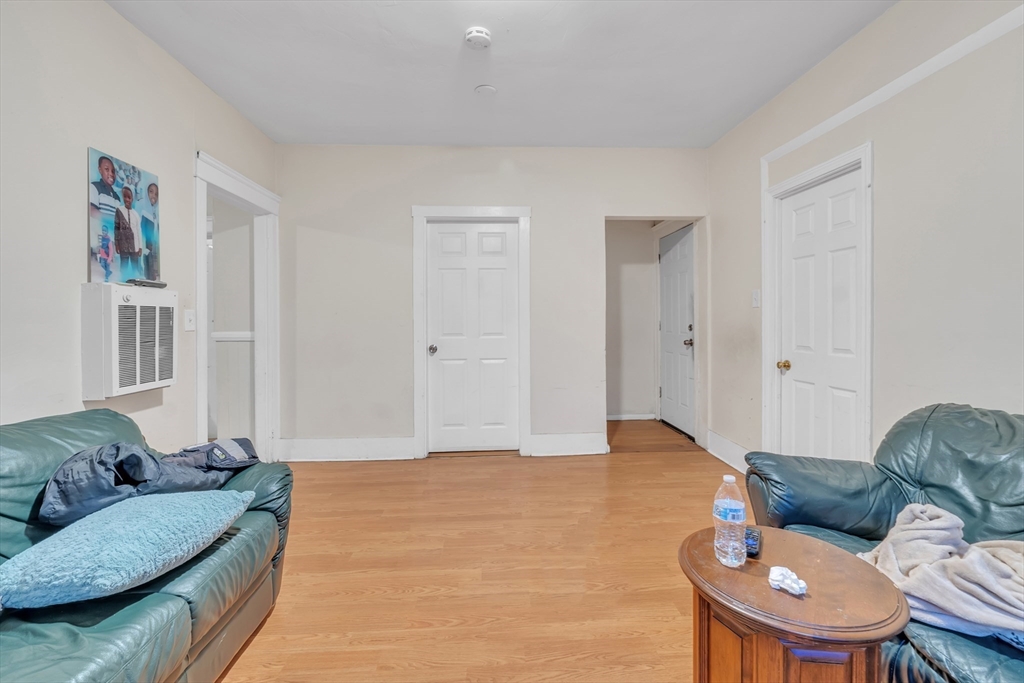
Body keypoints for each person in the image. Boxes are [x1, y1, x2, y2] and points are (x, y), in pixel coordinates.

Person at [114, 185, 143, 278]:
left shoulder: (136, 214)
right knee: (124, 268)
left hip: (134, 245)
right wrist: (117, 244)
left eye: (129, 197)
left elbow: (138, 231)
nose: (127, 199)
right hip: (123, 245)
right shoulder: (119, 210)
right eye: (125, 197)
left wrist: (140, 247)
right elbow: (117, 228)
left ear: (132, 198)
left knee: (135, 268)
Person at [140, 182, 160, 280]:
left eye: (156, 194)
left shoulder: (155, 213)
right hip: (146, 247)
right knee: (146, 269)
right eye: (151, 192)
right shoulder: (143, 211)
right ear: (147, 193)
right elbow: (141, 229)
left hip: (153, 247)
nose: (154, 196)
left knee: (152, 270)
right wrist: (144, 246)